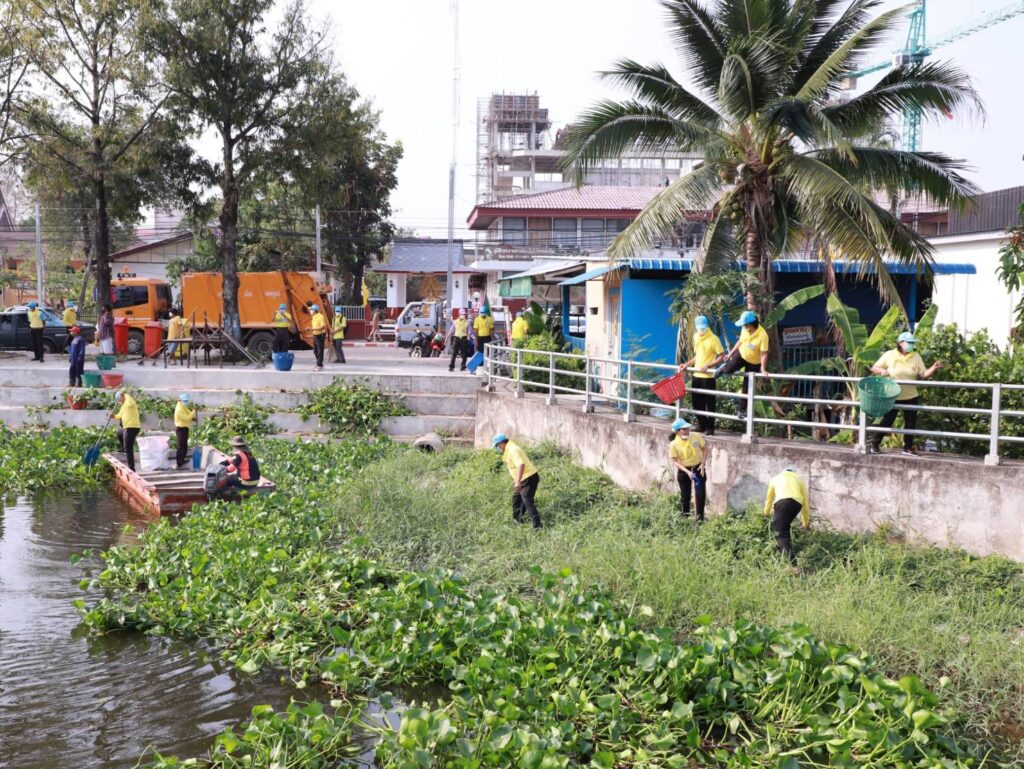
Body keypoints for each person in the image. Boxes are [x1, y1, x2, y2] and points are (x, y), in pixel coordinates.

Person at [867, 331, 943, 455]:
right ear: (901, 343)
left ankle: (908, 447)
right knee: (887, 421)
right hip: (892, 395)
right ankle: (874, 444)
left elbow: (924, 374)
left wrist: (933, 367)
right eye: (909, 342)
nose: (912, 345)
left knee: (910, 423)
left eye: (913, 343)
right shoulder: (890, 354)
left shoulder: (916, 356)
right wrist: (882, 371)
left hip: (911, 395)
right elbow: (874, 368)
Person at [678, 315, 725, 434]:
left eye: (703, 328)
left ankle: (710, 428)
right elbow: (697, 356)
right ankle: (701, 424)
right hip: (697, 375)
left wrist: (709, 365)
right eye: (700, 328)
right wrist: (687, 364)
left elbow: (721, 356)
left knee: (710, 403)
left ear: (707, 326)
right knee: (697, 403)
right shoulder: (695, 337)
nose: (702, 330)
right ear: (696, 327)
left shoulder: (714, 339)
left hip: (708, 377)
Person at [492, 433, 542, 529]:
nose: (497, 448)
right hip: (524, 478)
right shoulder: (509, 449)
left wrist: (518, 481)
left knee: (527, 500)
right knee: (517, 499)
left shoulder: (513, 450)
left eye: (497, 446)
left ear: (501, 443)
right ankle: (517, 522)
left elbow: (521, 465)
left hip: (529, 477)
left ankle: (538, 526)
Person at [763, 468, 810, 564]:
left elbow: (769, 498)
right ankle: (783, 558)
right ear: (794, 473)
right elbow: (805, 502)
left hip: (782, 503)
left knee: (779, 533)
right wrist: (805, 522)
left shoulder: (775, 479)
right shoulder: (799, 480)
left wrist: (766, 513)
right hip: (797, 505)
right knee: (784, 529)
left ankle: (792, 564)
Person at [717, 310, 769, 395]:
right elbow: (740, 341)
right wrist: (730, 354)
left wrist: (763, 369)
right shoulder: (744, 329)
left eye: (744, 325)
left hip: (754, 363)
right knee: (728, 369)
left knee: (747, 388)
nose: (743, 326)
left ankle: (743, 404)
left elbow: (764, 354)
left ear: (750, 325)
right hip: (741, 355)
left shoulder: (763, 336)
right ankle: (723, 368)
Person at [668, 418, 709, 522]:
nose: (687, 430)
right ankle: (685, 518)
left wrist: (703, 463)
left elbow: (705, 448)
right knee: (685, 496)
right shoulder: (673, 444)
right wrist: (687, 472)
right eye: (684, 429)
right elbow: (675, 461)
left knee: (700, 495)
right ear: (677, 431)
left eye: (687, 428)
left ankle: (699, 520)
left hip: (698, 468)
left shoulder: (696, 436)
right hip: (684, 470)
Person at [111, 389, 141, 472]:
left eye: (119, 399)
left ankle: (131, 468)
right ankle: (122, 448)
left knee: (129, 448)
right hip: (126, 427)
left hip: (132, 427)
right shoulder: (123, 406)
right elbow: (119, 416)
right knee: (119, 433)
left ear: (122, 396)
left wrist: (125, 394)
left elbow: (130, 403)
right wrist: (113, 416)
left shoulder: (130, 401)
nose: (119, 401)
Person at [174, 393, 197, 469]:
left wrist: (192, 415)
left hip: (184, 428)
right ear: (180, 400)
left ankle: (182, 460)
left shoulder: (183, 406)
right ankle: (179, 464)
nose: (186, 402)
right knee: (181, 446)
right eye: (184, 401)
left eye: (186, 400)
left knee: (184, 446)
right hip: (180, 429)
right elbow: (187, 418)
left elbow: (188, 413)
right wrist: (194, 411)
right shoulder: (179, 409)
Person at [308, 304, 326, 370]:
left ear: (315, 310)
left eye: (312, 310)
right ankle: (319, 363)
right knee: (315, 351)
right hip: (315, 335)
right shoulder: (314, 317)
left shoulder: (320, 317)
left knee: (320, 350)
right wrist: (311, 329)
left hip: (320, 335)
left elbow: (323, 327)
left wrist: (312, 329)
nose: (310, 311)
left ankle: (319, 365)